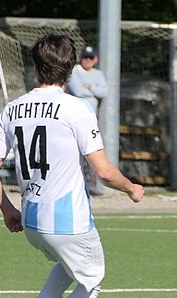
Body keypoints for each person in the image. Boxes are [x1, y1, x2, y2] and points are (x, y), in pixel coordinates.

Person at [0, 34, 144, 298]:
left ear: (35, 67)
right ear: (70, 70)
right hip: (67, 219)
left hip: (31, 218)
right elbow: (103, 172)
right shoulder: (75, 108)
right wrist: (131, 188)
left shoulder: (13, 108)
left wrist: (7, 209)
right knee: (92, 281)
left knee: (68, 266)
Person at [67, 45, 108, 196]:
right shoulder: (74, 71)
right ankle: (73, 185)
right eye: (85, 57)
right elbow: (77, 91)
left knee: (91, 152)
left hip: (90, 120)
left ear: (95, 59)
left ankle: (91, 185)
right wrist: (93, 92)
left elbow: (104, 92)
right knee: (74, 152)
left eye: (91, 57)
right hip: (74, 119)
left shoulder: (98, 74)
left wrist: (89, 86)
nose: (87, 60)